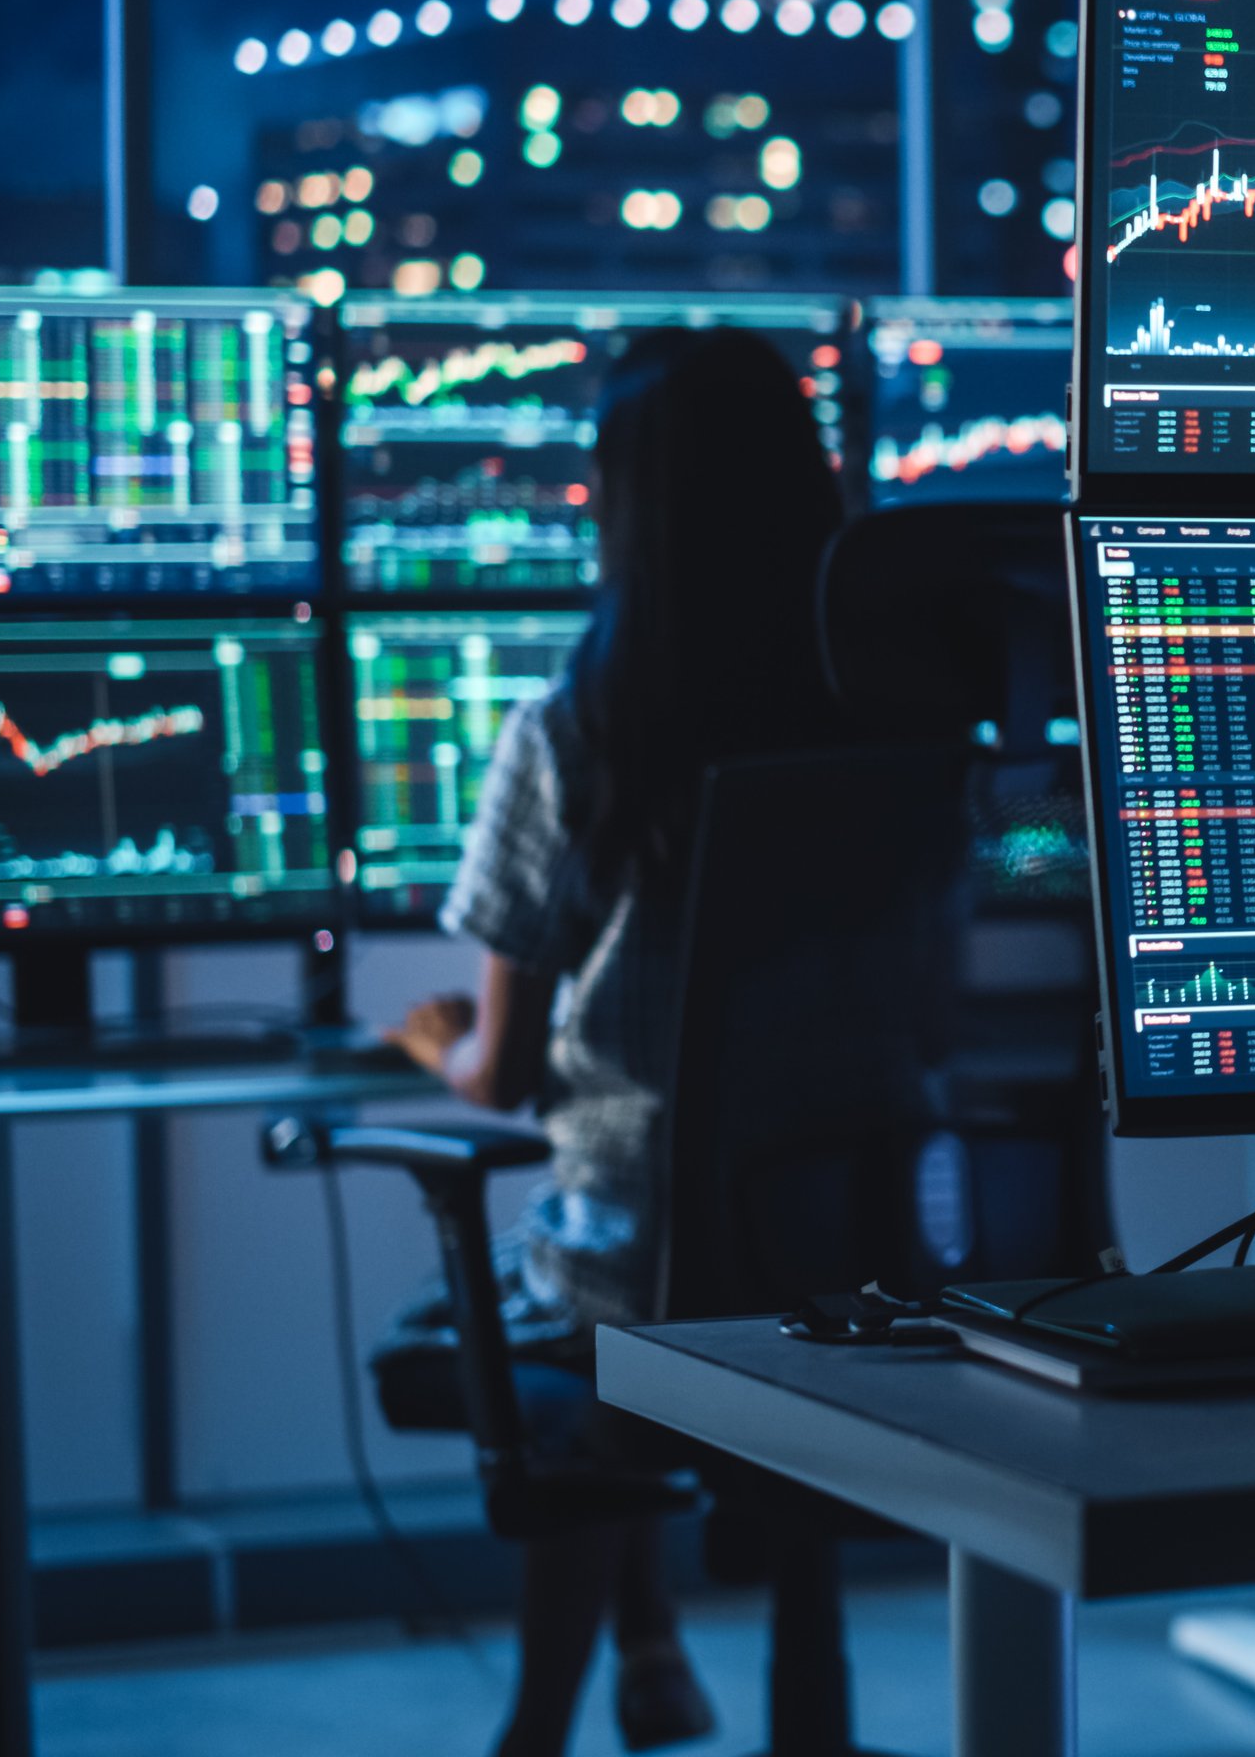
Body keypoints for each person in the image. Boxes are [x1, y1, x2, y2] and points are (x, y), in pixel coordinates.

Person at [382, 326, 849, 1757]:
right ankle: (682, 1662)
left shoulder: (571, 732)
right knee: (677, 1302)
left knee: (595, 1309)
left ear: (626, 506)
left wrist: (433, 1045)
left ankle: (545, 1724)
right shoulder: (879, 719)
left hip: (641, 1278)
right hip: (857, 1269)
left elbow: (509, 1079)